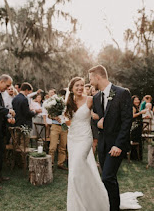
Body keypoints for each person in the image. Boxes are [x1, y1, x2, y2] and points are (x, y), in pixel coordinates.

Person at [89, 65, 132, 211]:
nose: (89, 82)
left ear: (98, 77)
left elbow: (127, 121)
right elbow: (97, 119)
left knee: (107, 177)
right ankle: (110, 206)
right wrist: (97, 122)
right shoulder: (96, 98)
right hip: (103, 144)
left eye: (90, 79)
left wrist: (119, 145)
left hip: (116, 145)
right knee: (108, 178)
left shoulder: (122, 93)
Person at [65, 77, 109, 211]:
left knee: (74, 174)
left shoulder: (90, 100)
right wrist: (59, 118)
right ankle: (91, 198)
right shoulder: (68, 101)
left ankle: (79, 206)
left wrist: (99, 118)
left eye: (82, 85)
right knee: (79, 170)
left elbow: (101, 113)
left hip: (85, 138)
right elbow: (68, 121)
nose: (79, 88)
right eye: (77, 85)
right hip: (72, 137)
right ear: (71, 87)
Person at [130, 95, 146, 160]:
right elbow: (132, 116)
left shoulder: (137, 107)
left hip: (138, 127)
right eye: (135, 100)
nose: (137, 101)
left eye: (138, 100)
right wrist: (140, 113)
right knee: (135, 141)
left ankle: (138, 157)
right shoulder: (133, 108)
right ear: (133, 101)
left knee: (139, 141)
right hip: (135, 127)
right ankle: (134, 157)